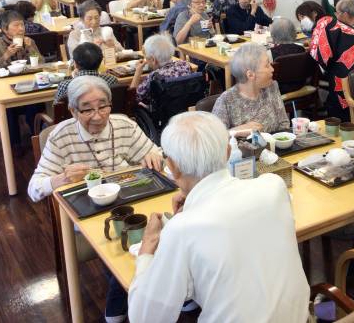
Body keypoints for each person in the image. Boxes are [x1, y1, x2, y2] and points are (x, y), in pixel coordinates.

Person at [128, 111, 309, 322]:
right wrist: (192, 203)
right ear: (228, 152)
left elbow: (144, 318)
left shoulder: (181, 229)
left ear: (172, 167)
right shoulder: (274, 186)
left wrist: (148, 245)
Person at [28, 75, 162, 323]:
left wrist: (154, 156)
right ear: (72, 111)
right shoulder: (61, 136)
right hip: (88, 213)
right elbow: (34, 189)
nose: (98, 116)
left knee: (162, 226)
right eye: (87, 109)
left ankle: (156, 289)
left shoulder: (124, 125)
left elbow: (153, 152)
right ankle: (127, 294)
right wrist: (61, 179)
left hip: (132, 199)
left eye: (103, 106)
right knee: (124, 238)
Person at [0, 10, 44, 145]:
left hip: (28, 86)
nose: (21, 29)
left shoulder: (29, 41)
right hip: (5, 89)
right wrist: (6, 55)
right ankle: (14, 145)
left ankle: (37, 139)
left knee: (35, 104)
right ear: (5, 29)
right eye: (16, 25)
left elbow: (41, 63)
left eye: (22, 25)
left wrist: (30, 48)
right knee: (8, 110)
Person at [212, 43, 289, 134]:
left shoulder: (271, 87)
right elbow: (214, 138)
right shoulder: (226, 100)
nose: (272, 69)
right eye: (267, 65)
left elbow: (284, 124)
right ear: (250, 75)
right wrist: (236, 131)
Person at [309, 12, 354, 121]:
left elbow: (318, 55)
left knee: (337, 103)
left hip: (348, 79)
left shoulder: (323, 27)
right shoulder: (350, 32)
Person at [130, 34, 193, 111]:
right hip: (183, 110)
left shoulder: (154, 77)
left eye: (146, 57)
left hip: (161, 114)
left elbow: (132, 98)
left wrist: (138, 72)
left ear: (153, 60)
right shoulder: (184, 65)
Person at [270, 18, 306, 94]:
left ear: (273, 34)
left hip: (279, 89)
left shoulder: (271, 53)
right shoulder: (301, 49)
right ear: (294, 32)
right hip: (301, 85)